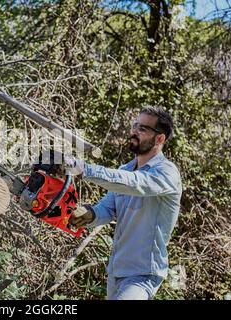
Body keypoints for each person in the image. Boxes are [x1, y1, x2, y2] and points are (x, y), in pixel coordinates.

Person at [67, 107, 182, 300]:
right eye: (135, 126)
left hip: (143, 274)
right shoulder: (126, 168)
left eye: (143, 129)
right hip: (116, 272)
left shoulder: (167, 172)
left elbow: (135, 184)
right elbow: (108, 208)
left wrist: (84, 169)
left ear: (160, 139)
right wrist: (90, 214)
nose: (134, 132)